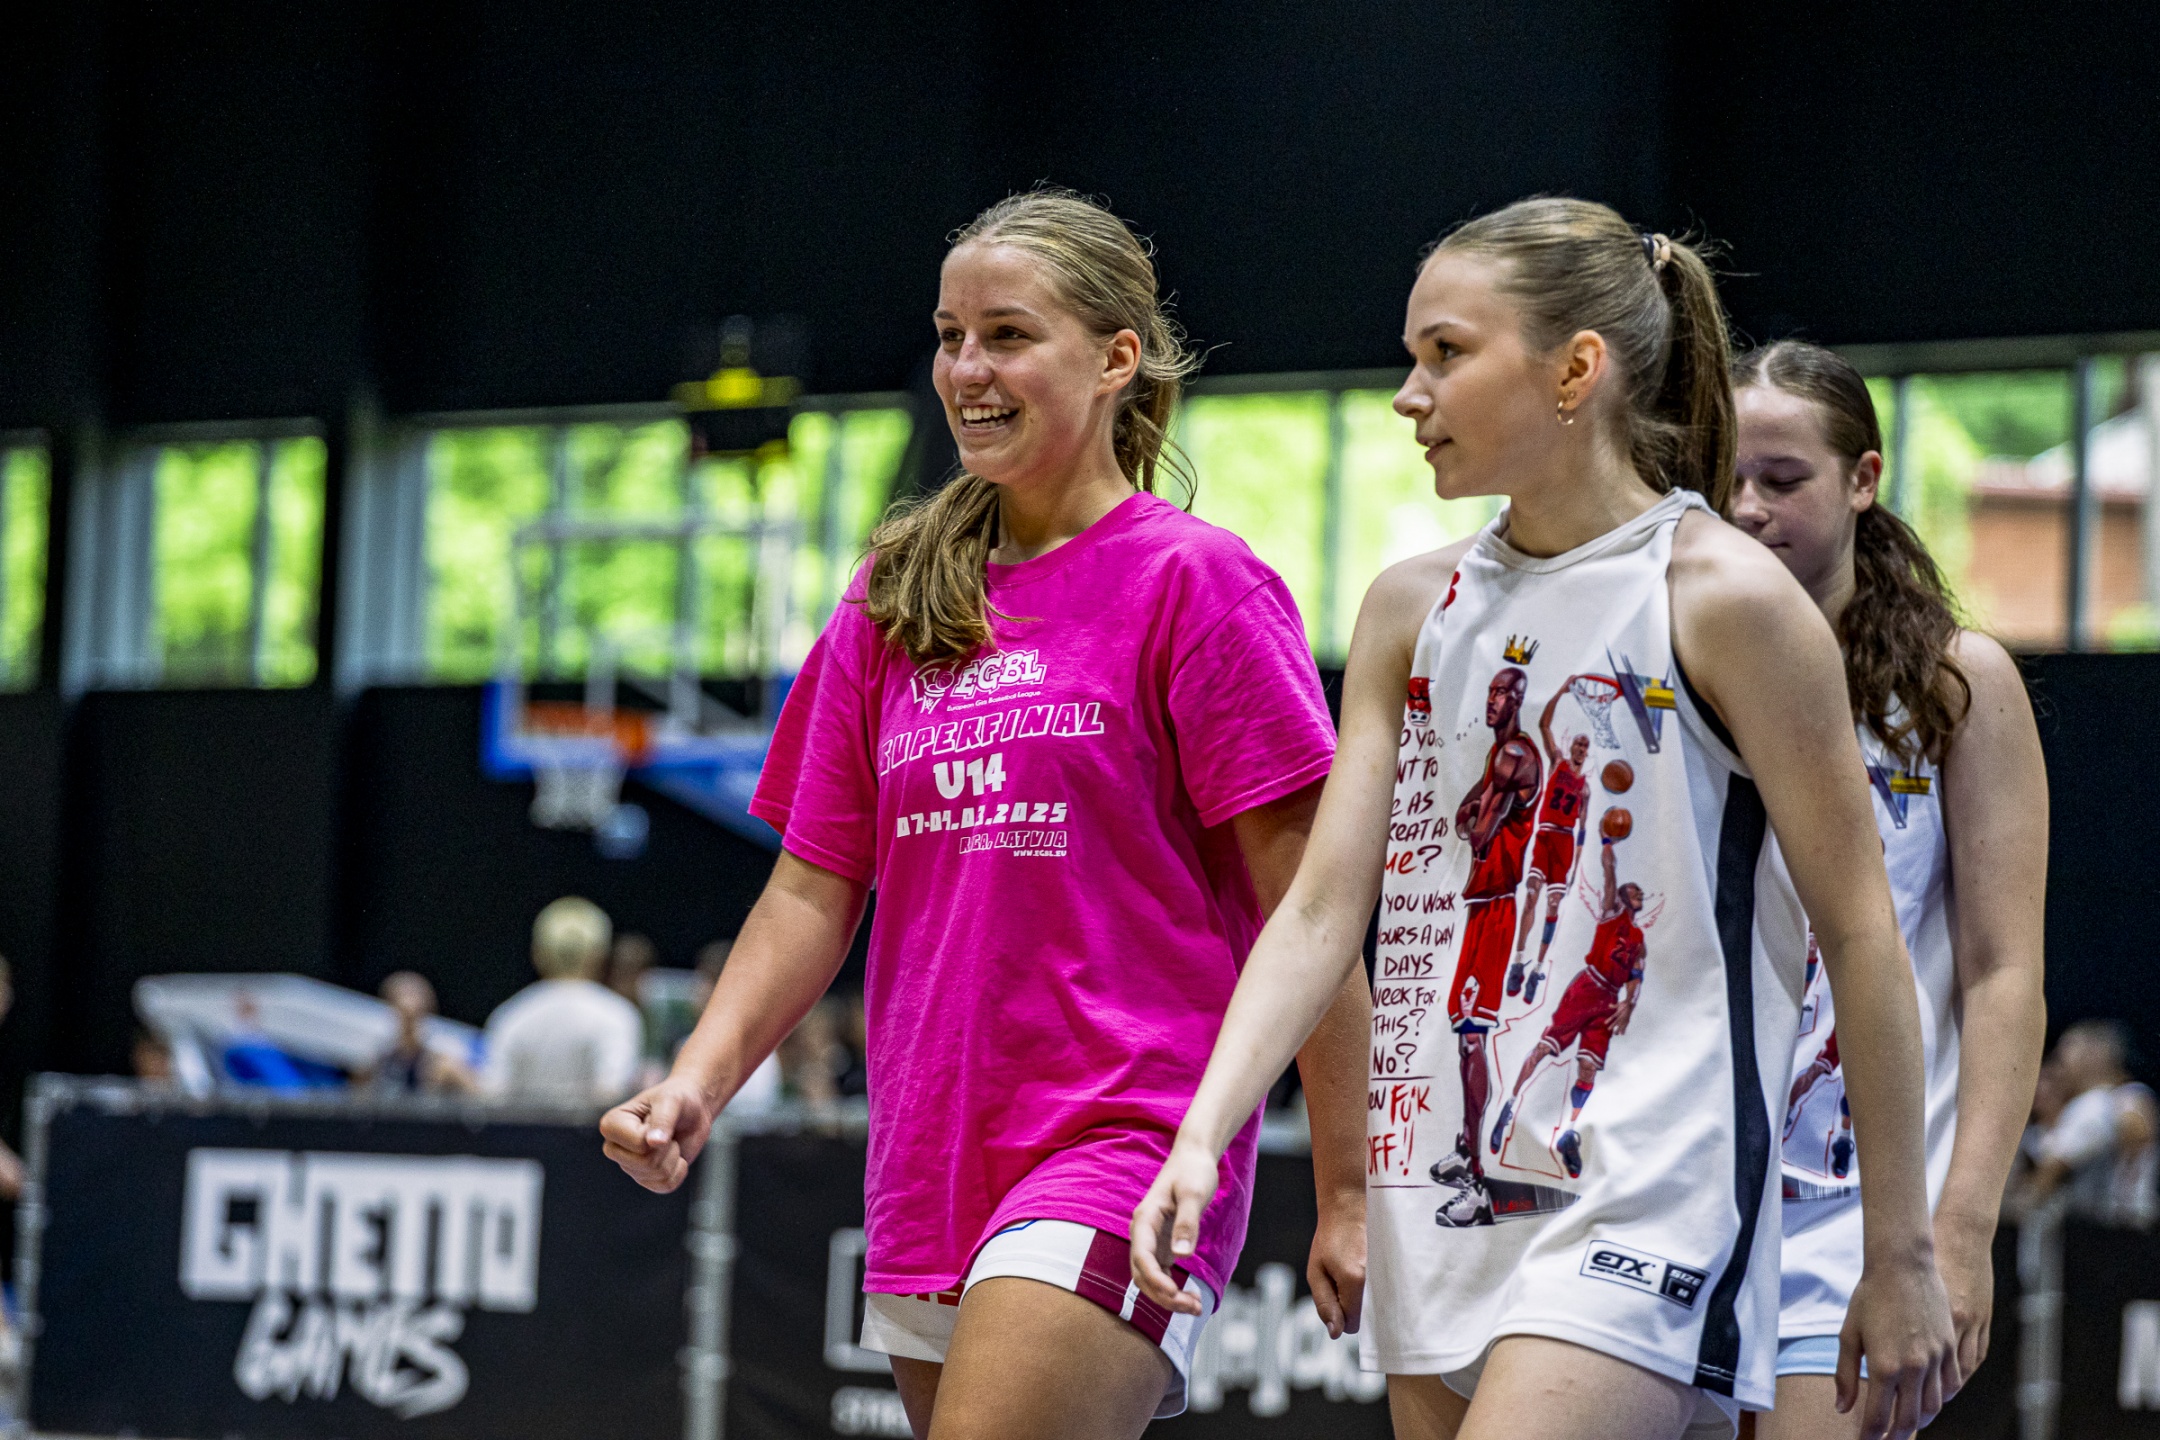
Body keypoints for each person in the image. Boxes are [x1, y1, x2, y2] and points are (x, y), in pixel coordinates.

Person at [1132, 198, 1958, 1440]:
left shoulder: (1724, 596)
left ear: (1577, 370)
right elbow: (1319, 912)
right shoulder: (1409, 607)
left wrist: (1901, 1252)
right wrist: (1203, 1131)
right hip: (1441, 1189)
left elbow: (1861, 933)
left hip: (1651, 1196)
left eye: (1446, 354)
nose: (1409, 395)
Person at [601, 187, 1370, 1440]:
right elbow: (810, 888)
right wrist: (698, 1079)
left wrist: (1348, 1189)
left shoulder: (1200, 584)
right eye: (951, 336)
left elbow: (1315, 913)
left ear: (1117, 359)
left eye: (1008, 335)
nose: (967, 369)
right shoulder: (892, 602)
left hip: (1128, 1136)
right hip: (929, 1156)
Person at [1729, 340, 2049, 1439]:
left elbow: (2004, 976)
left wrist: (1959, 1231)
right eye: (1726, 478)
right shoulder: (1675, 676)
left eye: (1783, 480)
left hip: (1859, 1223)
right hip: (1681, 1199)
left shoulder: (1956, 686)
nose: (1748, 509)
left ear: (1863, 479)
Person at [485, 896, 643, 1106]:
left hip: (519, 1128)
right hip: (594, 1129)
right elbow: (611, 1092)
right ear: (600, 956)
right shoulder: (617, 1014)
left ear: (538, 954)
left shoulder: (511, 1014)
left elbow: (492, 1097)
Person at [1508, 687, 1595, 1003]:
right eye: (1578, 743)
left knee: (1553, 905)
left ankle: (1537, 969)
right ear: (1572, 746)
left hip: (1565, 844)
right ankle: (1518, 962)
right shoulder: (1557, 761)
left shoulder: (1585, 788)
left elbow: (1583, 830)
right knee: (1531, 895)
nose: (1581, 748)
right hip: (1545, 836)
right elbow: (1544, 724)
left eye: (1585, 745)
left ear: (1588, 752)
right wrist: (1562, 690)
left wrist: (1577, 867)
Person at [2025, 1020, 2156, 1227]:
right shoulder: (2088, 1103)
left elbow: (2137, 1129)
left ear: (2092, 1055)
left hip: (2126, 1225)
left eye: (2066, 1050)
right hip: (2094, 1223)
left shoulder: (2117, 1097)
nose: (2059, 1060)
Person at [363, 971, 478, 1095]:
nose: (407, 1017)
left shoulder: (442, 1060)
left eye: (412, 1016)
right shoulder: (380, 1058)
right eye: (401, 1012)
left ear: (427, 1010)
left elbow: (477, 1095)